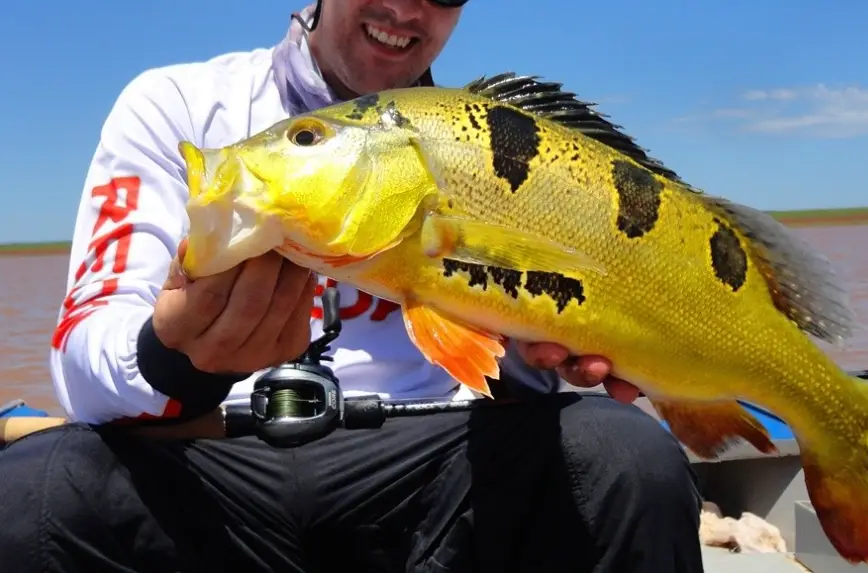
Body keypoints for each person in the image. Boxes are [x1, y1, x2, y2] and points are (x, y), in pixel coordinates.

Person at [0, 1, 704, 572]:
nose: (407, 8)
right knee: (30, 492)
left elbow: (509, 374)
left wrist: (555, 350)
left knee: (626, 456)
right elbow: (82, 366)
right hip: (205, 459)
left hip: (436, 464)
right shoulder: (179, 106)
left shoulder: (496, 147)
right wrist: (173, 355)